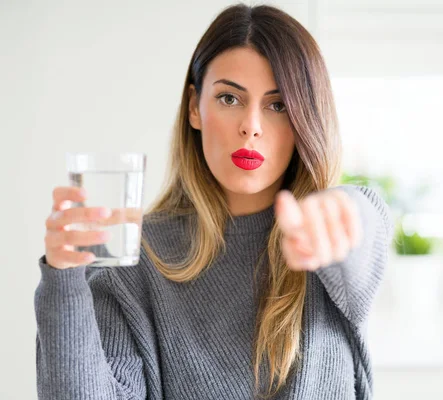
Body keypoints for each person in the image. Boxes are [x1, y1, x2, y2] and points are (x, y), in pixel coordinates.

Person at [35, 3, 393, 399]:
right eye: (229, 99)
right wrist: (64, 278)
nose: (251, 127)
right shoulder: (135, 262)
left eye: (278, 105)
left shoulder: (331, 239)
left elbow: (362, 226)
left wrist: (339, 215)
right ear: (194, 107)